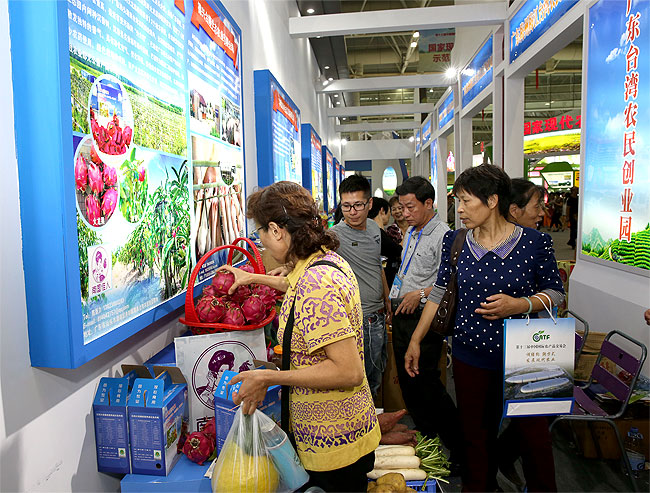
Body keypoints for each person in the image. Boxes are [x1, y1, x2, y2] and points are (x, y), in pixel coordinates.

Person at [404, 165, 565, 492]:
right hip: (471, 355)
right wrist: (416, 339)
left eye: (466, 201)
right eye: (458, 201)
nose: (460, 210)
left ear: (492, 200)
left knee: (534, 439)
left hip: (529, 354)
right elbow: (439, 292)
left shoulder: (535, 242)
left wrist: (520, 305)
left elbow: (555, 292)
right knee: (475, 436)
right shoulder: (456, 241)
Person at [224, 182, 380, 492]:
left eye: (260, 233)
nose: (261, 242)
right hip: (345, 427)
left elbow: (348, 371)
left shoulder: (316, 283)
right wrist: (253, 277)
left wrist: (269, 377)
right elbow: (295, 289)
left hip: (334, 442)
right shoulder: (322, 261)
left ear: (276, 230)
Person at [390, 176, 463, 469]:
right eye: (402, 207)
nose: (404, 213)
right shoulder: (411, 231)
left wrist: (419, 294)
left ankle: (459, 449)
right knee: (410, 386)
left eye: (410, 207)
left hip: (424, 317)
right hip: (403, 313)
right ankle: (428, 443)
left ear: (428, 203)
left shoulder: (444, 236)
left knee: (427, 385)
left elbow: (450, 283)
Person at [330, 175, 391, 399]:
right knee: (361, 382)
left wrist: (387, 298)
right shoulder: (334, 236)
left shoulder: (374, 228)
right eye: (346, 206)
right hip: (357, 319)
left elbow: (377, 266)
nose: (352, 212)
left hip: (378, 316)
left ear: (370, 203)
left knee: (376, 374)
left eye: (358, 205)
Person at [369, 196, 403, 287]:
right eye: (391, 210)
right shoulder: (378, 234)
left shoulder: (369, 231)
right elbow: (398, 250)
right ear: (382, 211)